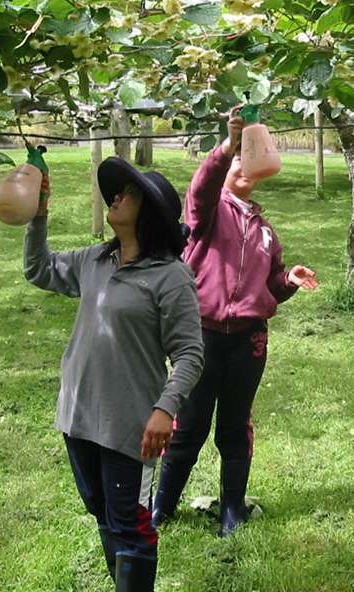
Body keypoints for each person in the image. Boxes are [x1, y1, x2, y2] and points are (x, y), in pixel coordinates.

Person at [23, 157, 204, 591]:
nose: (116, 197)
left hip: (130, 426)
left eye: (128, 192)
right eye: (116, 190)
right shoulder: (95, 260)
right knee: (103, 511)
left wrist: (165, 409)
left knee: (131, 525)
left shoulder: (171, 277)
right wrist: (38, 218)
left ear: (150, 213)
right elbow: (40, 269)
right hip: (79, 416)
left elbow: (191, 352)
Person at [152, 107, 319, 537]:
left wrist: (290, 279)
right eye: (235, 162)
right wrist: (228, 145)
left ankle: (232, 510)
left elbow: (273, 285)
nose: (242, 167)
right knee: (187, 425)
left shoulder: (265, 230)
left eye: (248, 160)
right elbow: (200, 189)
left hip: (248, 342)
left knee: (234, 425)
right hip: (201, 336)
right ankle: (161, 508)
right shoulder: (206, 215)